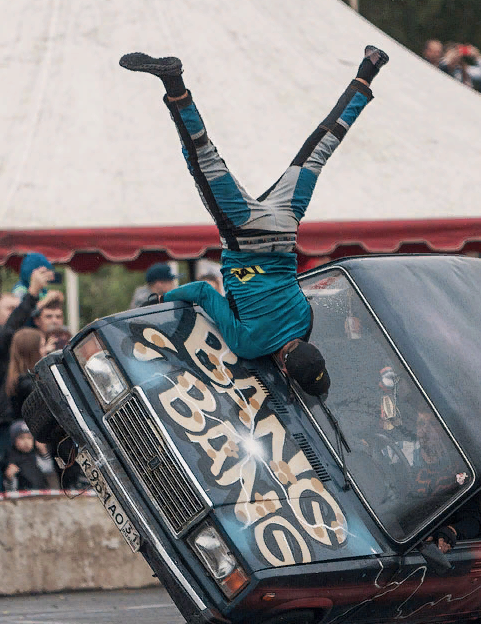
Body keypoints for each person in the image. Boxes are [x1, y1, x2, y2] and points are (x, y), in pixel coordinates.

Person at [119, 46, 389, 396]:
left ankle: (367, 72)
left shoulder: (306, 322)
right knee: (204, 160)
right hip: (245, 236)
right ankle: (175, 85)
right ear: (283, 368)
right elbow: (202, 291)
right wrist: (159, 301)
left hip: (285, 228)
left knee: (319, 149)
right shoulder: (249, 345)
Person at [0, 266, 56, 395]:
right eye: (11, 309)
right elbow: (8, 332)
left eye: (18, 309)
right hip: (5, 412)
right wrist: (32, 293)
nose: (16, 314)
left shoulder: (26, 337)